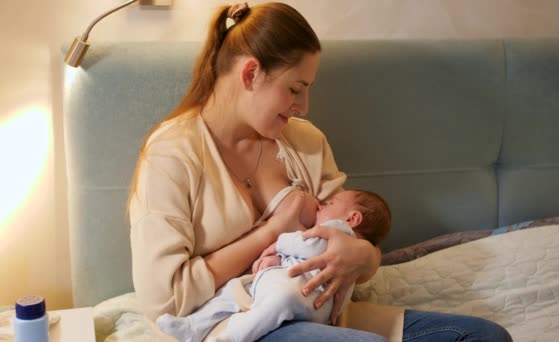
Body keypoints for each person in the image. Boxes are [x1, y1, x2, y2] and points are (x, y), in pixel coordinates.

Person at [128, 2, 513, 341]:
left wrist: (360, 255)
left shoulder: (306, 143)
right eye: (295, 89)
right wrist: (273, 230)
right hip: (230, 325)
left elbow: (361, 244)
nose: (304, 105)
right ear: (250, 75)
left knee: (486, 337)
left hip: (318, 313)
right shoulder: (174, 156)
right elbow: (165, 298)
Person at [156, 189, 392, 342]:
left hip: (296, 297)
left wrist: (280, 241)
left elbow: (309, 247)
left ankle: (226, 337)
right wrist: (277, 260)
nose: (320, 205)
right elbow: (306, 261)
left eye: (329, 203)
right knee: (230, 293)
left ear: (352, 219)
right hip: (305, 303)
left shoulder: (338, 232)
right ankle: (191, 326)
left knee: (260, 306)